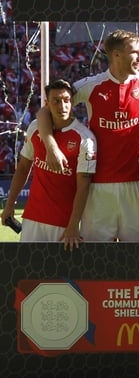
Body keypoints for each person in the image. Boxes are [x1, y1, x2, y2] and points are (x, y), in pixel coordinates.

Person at [37, 29, 139, 242]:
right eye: (135, 52)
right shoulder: (91, 85)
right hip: (98, 188)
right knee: (97, 258)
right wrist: (51, 146)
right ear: (116, 55)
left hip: (137, 187)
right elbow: (46, 110)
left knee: (135, 257)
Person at [0, 79, 96, 250]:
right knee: (28, 274)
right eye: (56, 101)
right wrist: (9, 206)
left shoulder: (85, 138)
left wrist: (73, 225)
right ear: (47, 104)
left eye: (66, 100)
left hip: (63, 223)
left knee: (64, 276)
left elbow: (84, 186)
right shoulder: (35, 128)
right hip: (32, 218)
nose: (62, 106)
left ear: (72, 102)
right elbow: (23, 169)